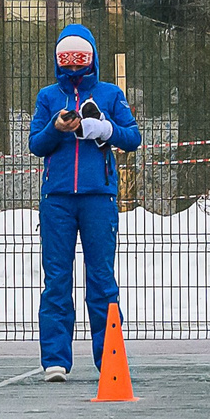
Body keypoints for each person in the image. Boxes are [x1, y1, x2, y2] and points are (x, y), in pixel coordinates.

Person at [27, 23, 141, 383]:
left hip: (98, 197)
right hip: (57, 199)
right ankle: (56, 360)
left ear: (92, 59)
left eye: (81, 60)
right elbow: (36, 144)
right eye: (67, 60)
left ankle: (108, 358)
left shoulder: (109, 94)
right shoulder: (47, 97)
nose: (74, 68)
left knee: (102, 280)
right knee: (57, 279)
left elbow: (133, 136)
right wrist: (56, 129)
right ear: (58, 61)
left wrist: (105, 129)